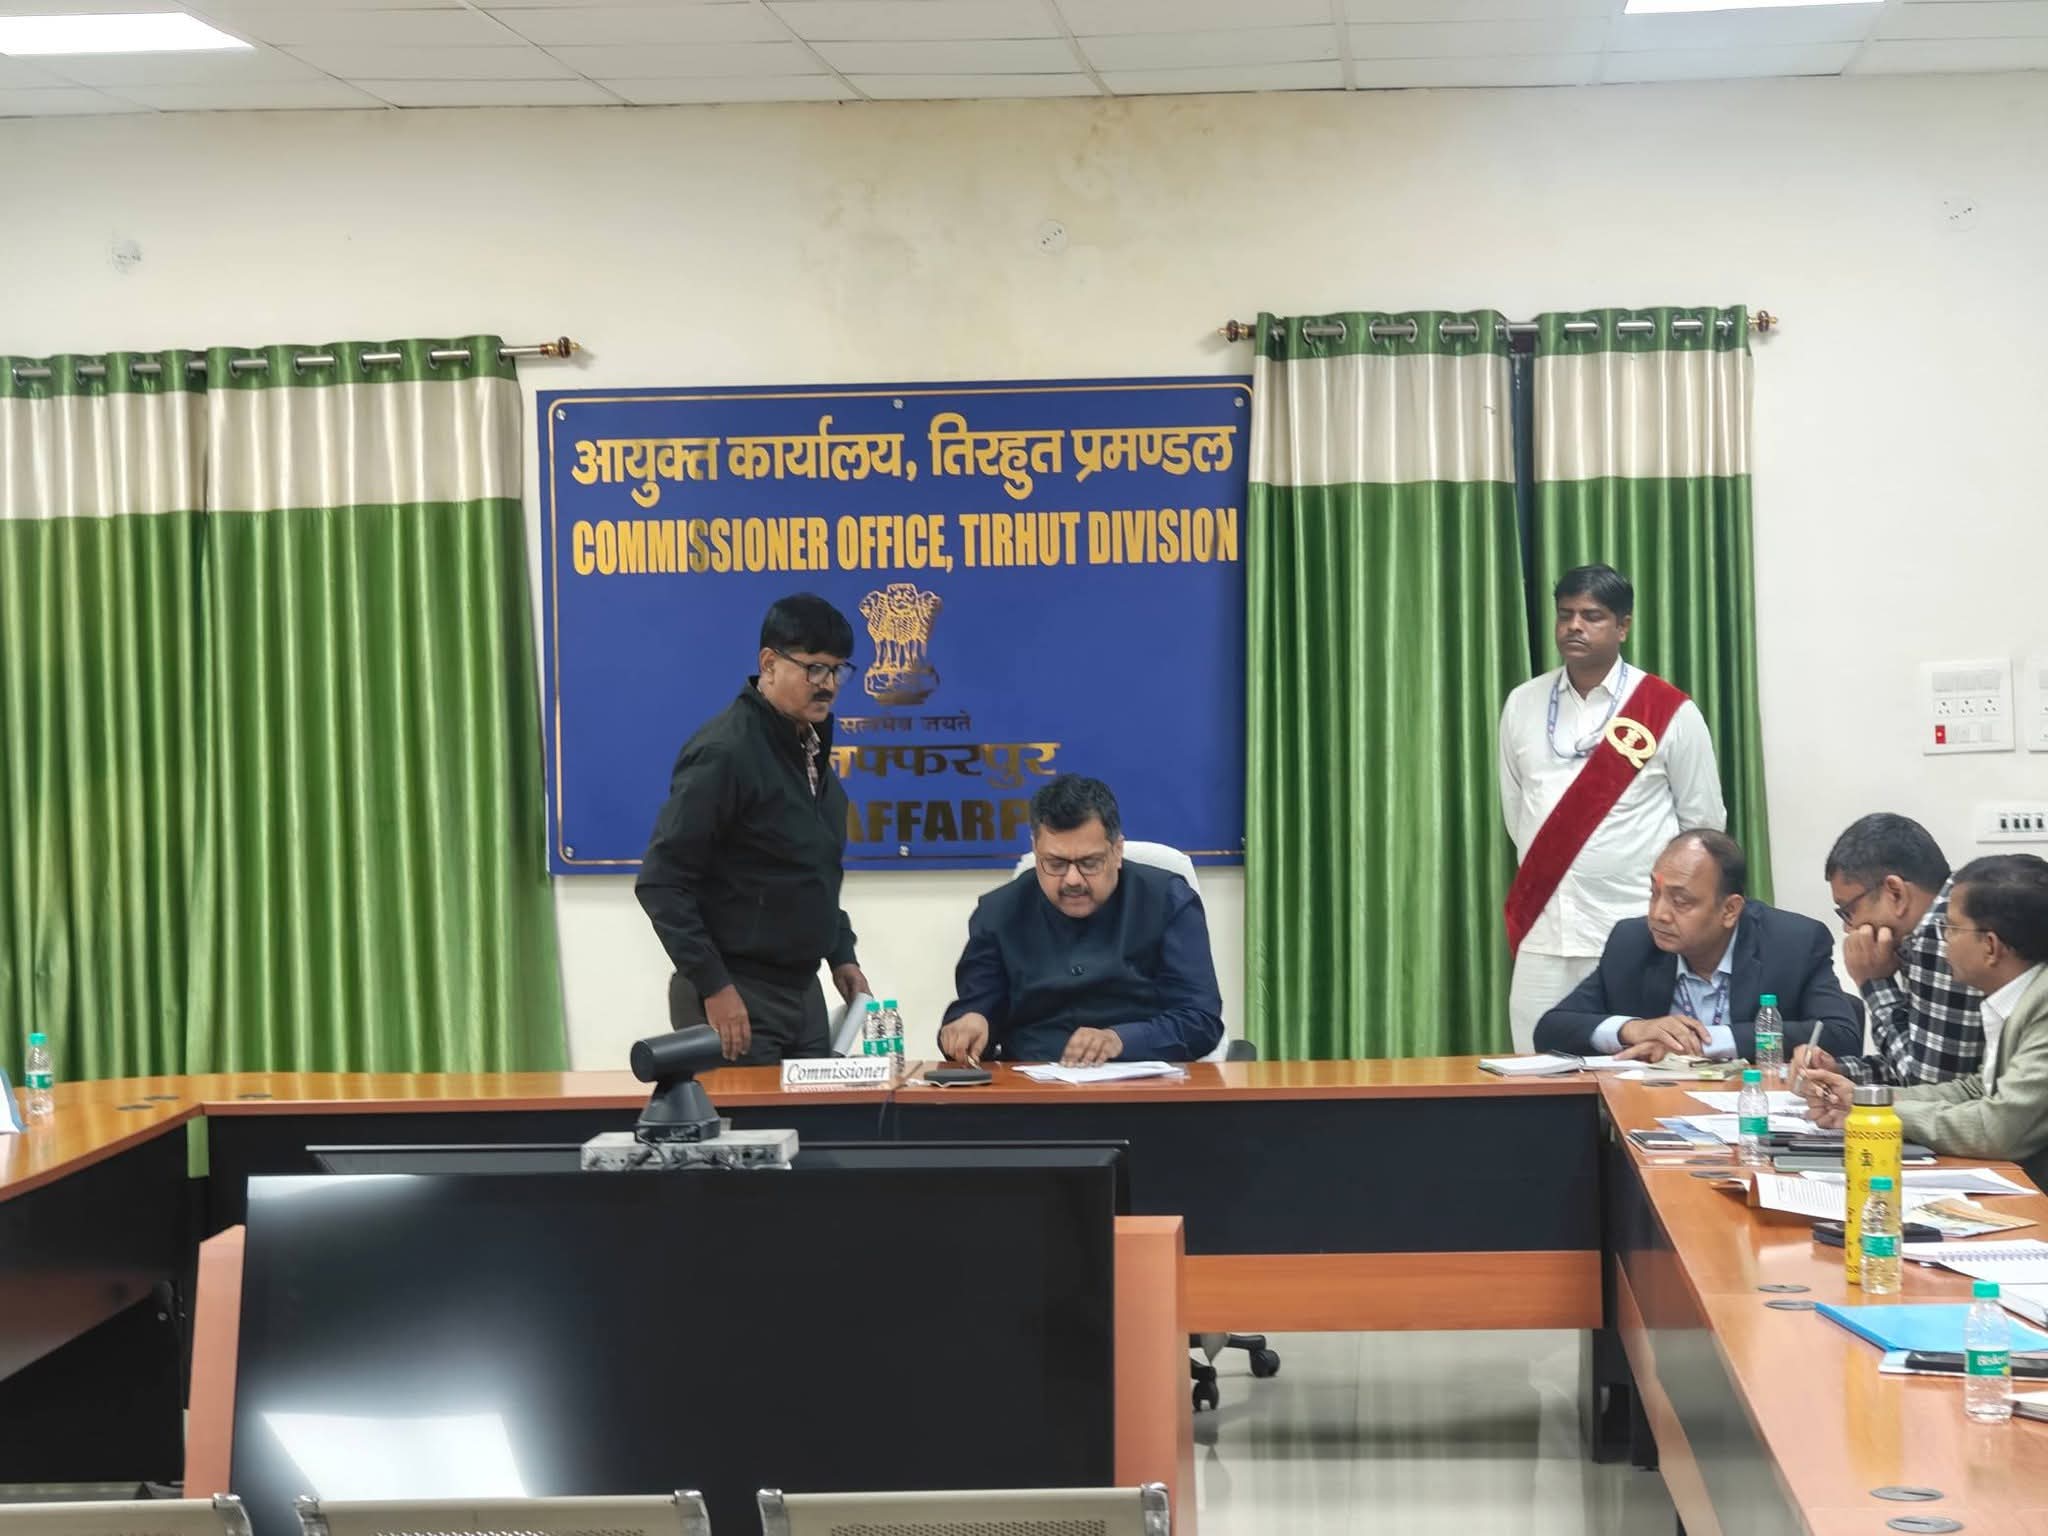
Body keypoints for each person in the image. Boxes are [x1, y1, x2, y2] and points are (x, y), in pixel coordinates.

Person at [1499, 565, 1726, 1051]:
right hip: (1546, 932)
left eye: (1592, 616)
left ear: (1623, 626)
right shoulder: (1522, 704)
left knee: (1637, 1074)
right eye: (1565, 615)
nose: (1574, 626)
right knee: (1533, 1073)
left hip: (1634, 933)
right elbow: (1518, 812)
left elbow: (1703, 829)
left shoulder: (1669, 710)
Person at [636, 594, 870, 1064]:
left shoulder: (809, 752)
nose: (828, 685)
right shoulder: (726, 752)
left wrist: (841, 954)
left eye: (838, 671)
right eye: (814, 669)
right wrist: (714, 985)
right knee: (745, 1117)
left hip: (803, 994)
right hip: (735, 997)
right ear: (769, 664)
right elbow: (662, 883)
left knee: (827, 1114)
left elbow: (809, 871)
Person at [936, 774, 1223, 1067]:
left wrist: (1120, 1040)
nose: (1072, 879)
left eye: (1089, 863)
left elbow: (1200, 1021)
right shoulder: (998, 912)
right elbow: (978, 1007)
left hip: (1142, 1082)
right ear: (1035, 849)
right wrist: (971, 1024)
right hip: (1031, 1083)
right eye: (1056, 864)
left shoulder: (1167, 901)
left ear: (1117, 851)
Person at [1802, 855, 2048, 1190]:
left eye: (1951, 928)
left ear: (1990, 946)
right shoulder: (2018, 997)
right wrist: (1864, 1099)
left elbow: (1997, 1129)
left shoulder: (2042, 1005)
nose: (1943, 940)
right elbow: (1976, 1090)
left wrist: (1878, 1116)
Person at [1534, 830, 1862, 1063]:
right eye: (1654, 894)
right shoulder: (1632, 942)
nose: (1659, 914)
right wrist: (1632, 1029)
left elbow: (1841, 1035)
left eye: (1681, 902)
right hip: (1651, 1115)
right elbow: (1551, 1029)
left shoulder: (1792, 943)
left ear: (1729, 910)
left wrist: (1705, 1043)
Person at [1789, 813, 1983, 1086]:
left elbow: (1927, 1086)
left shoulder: (1940, 934)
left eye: (1848, 911)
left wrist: (1873, 982)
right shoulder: (1942, 911)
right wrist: (1839, 1070)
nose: (1848, 928)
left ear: (1895, 893)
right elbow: (1917, 1061)